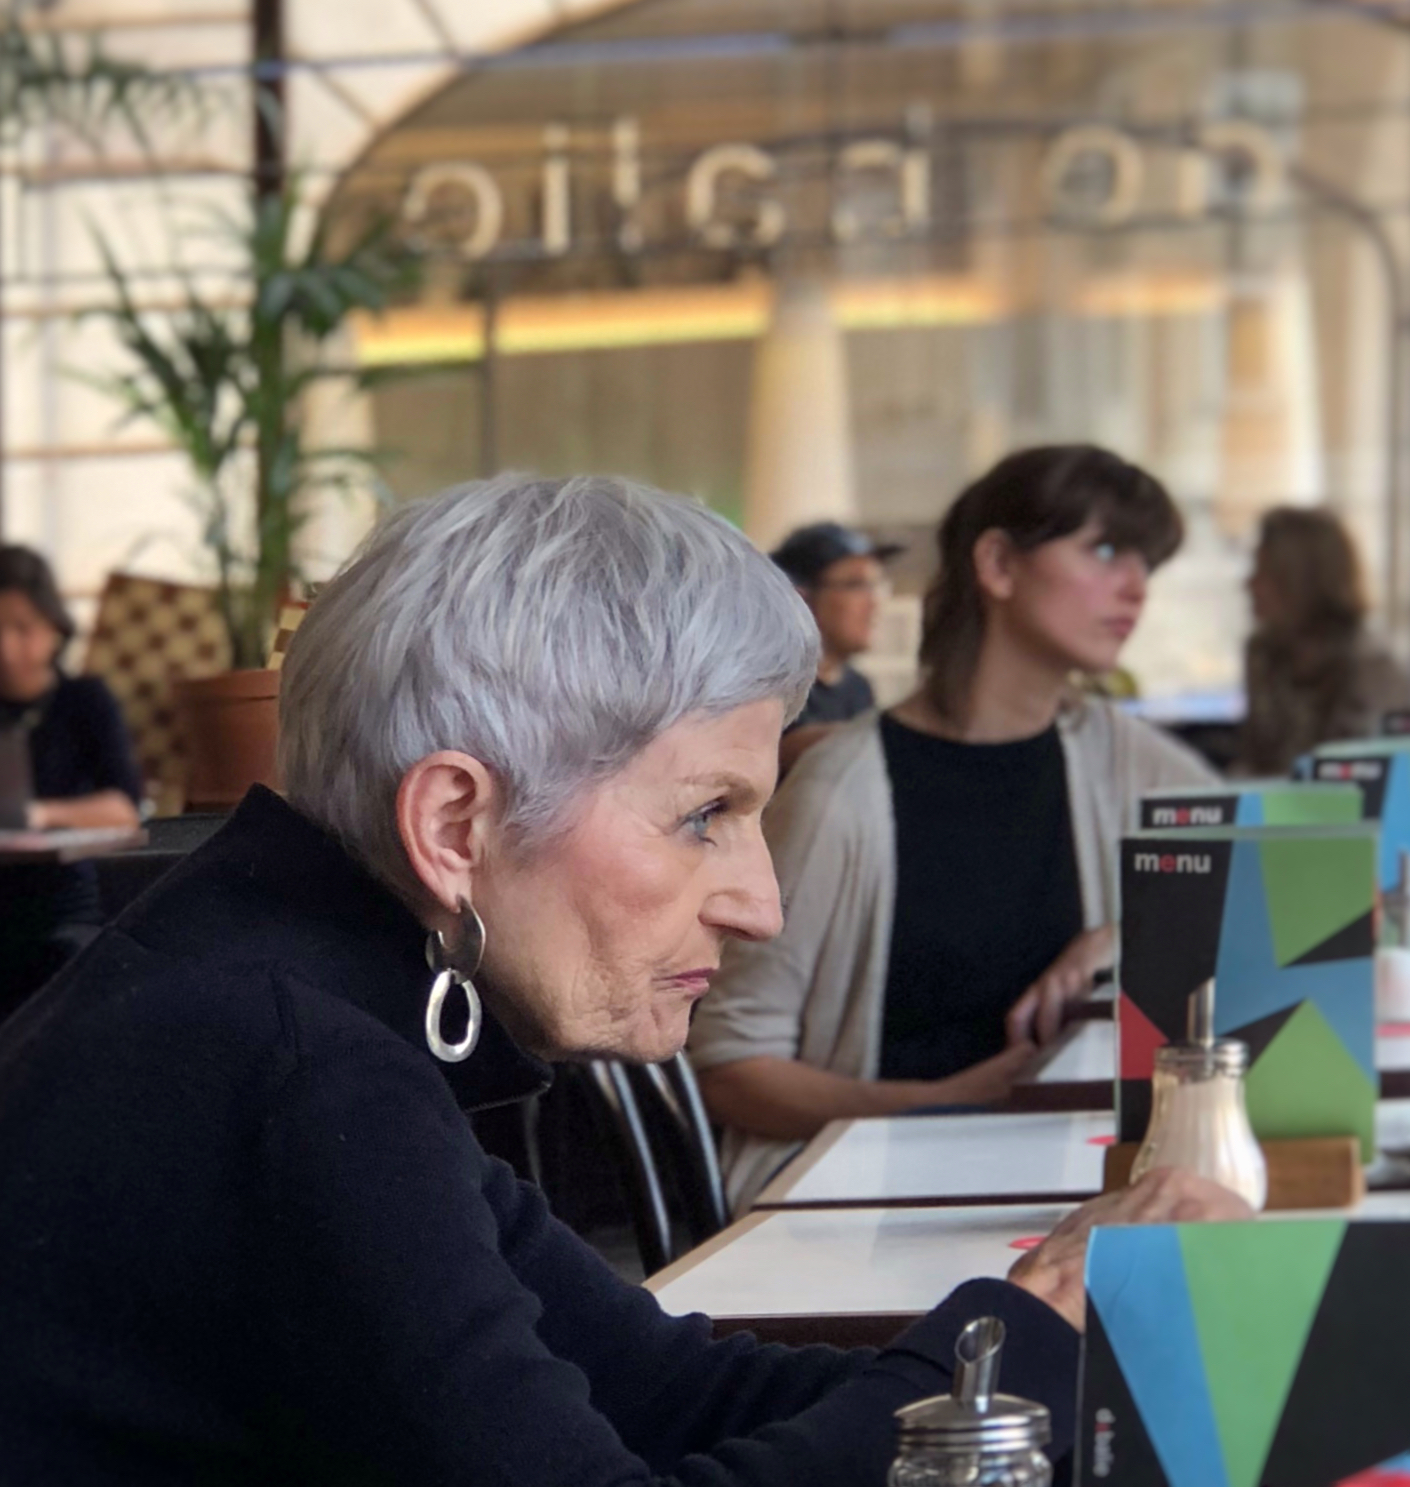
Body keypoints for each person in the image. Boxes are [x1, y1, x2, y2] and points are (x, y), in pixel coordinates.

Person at [0, 475, 1245, 1485]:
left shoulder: (290, 990)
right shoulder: (293, 1067)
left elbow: (666, 1392)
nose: (761, 901)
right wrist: (1025, 1338)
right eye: (707, 814)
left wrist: (1038, 1354)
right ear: (454, 822)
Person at [692, 445, 1215, 1211]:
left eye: (1146, 561)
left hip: (1061, 1183)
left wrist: (1119, 937)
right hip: (868, 1202)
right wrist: (944, 1100)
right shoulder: (845, 791)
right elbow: (731, 1070)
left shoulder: (1125, 758)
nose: (1136, 586)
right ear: (998, 564)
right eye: (1106, 550)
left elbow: (1263, 899)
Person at [0, 545, 142, 1020]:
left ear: (54, 627)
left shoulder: (83, 701)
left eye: (21, 628)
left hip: (59, 907)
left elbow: (125, 809)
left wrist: (38, 813)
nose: (6, 648)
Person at [1238, 504, 1409, 775]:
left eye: (1264, 572)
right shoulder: (1263, 655)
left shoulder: (1373, 671)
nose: (1249, 585)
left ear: (1301, 581)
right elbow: (1257, 762)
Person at [771, 522, 902, 777]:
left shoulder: (858, 687)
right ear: (801, 598)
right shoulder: (770, 683)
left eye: (876, 585)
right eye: (856, 585)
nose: (875, 602)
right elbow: (782, 751)